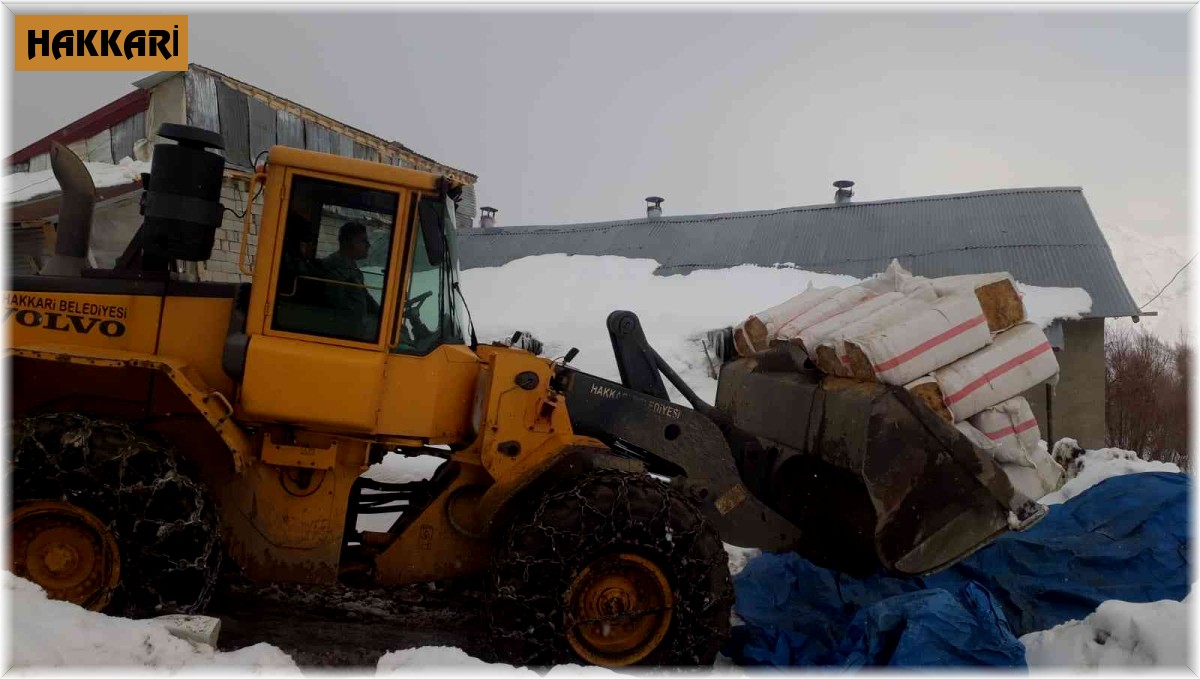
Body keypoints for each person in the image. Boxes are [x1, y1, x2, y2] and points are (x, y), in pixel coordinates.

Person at [321, 221, 381, 337]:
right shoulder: (333, 268)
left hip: (356, 328)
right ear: (349, 243)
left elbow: (366, 298)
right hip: (344, 334)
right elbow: (338, 307)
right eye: (363, 241)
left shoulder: (352, 268)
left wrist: (384, 314)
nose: (368, 245)